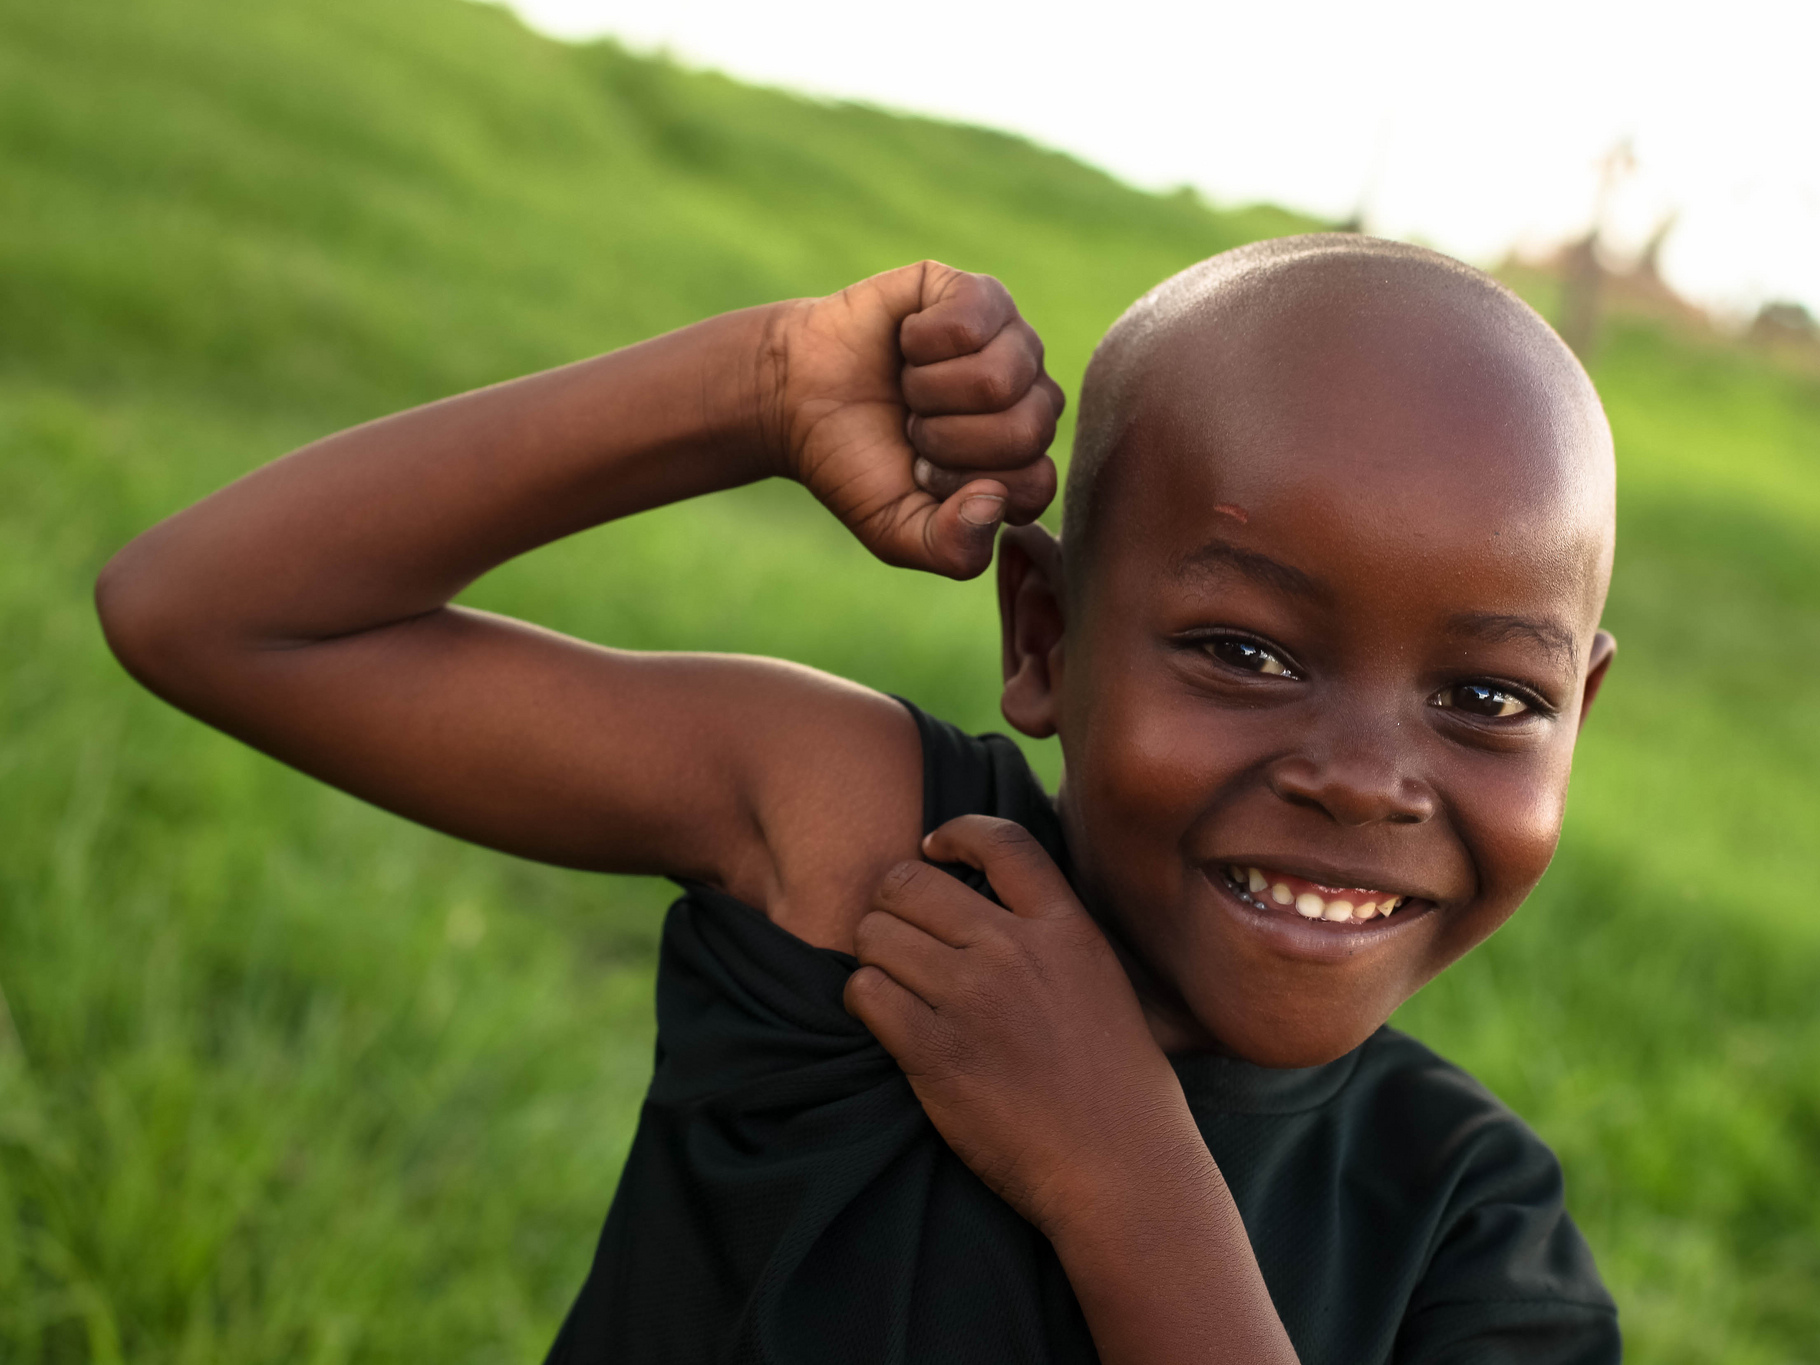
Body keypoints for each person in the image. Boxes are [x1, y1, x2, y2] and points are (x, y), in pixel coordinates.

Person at [96, 234, 1622, 1364]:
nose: (1363, 776)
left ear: (1578, 715)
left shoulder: (1476, 1232)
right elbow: (211, 611)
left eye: (1490, 697)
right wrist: (754, 387)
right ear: (1045, 635)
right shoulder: (875, 854)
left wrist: (1126, 1178)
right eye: (1242, 649)